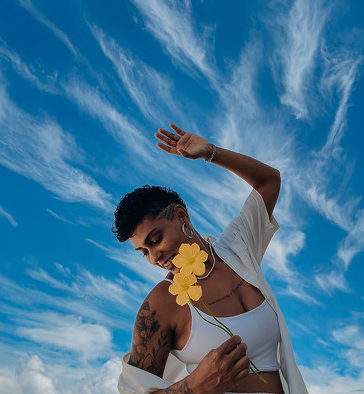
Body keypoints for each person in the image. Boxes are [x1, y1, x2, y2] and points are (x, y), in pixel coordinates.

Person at [115, 124, 308, 394]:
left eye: (156, 239)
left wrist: (211, 152)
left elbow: (269, 181)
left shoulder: (238, 248)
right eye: (144, 252)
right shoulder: (162, 303)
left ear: (181, 216)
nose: (154, 258)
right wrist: (195, 386)